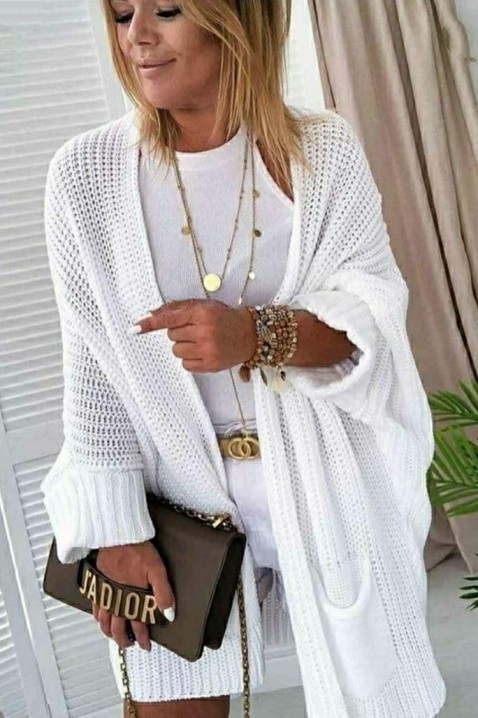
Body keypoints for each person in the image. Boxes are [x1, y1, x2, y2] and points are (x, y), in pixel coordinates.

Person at [40, 1, 447, 717]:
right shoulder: (87, 174)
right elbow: (94, 373)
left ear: (237, 17)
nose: (137, 37)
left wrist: (255, 335)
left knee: (376, 700)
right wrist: (113, 531)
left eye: (167, 10)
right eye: (121, 13)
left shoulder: (323, 150)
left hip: (326, 488)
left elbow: (374, 320)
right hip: (172, 504)